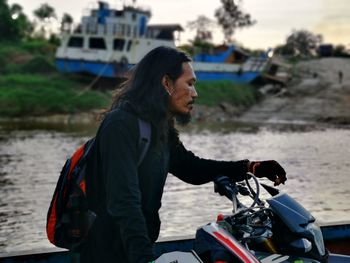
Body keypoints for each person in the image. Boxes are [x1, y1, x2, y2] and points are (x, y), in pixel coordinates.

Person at [80, 46, 287, 263]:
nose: (194, 93)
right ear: (166, 83)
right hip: (109, 254)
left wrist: (249, 167)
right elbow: (124, 203)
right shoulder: (121, 124)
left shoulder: (157, 126)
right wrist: (143, 259)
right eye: (189, 84)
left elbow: (191, 168)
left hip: (135, 249)